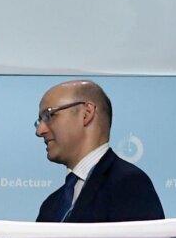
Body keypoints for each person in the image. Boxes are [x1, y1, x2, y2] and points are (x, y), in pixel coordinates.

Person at [33, 80, 165, 224]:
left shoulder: (129, 185)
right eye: (39, 121)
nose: (40, 131)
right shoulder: (50, 205)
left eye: (49, 116)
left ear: (87, 113)